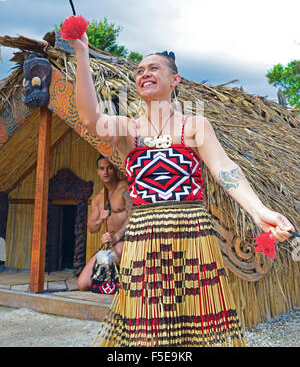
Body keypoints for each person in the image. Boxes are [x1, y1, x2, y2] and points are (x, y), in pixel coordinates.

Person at [70, 33, 295, 347]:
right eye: (139, 71)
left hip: (191, 233)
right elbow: (90, 118)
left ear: (174, 79)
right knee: (147, 326)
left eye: (153, 68)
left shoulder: (194, 126)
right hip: (144, 236)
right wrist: (81, 53)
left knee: (191, 326)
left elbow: (225, 170)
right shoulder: (127, 129)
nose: (144, 73)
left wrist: (259, 212)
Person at [77, 155, 130, 291]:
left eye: (109, 168)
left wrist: (117, 237)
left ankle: (127, 285)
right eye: (102, 169)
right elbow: (91, 228)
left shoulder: (126, 189)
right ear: (97, 171)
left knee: (119, 249)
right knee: (83, 284)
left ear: (115, 169)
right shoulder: (98, 198)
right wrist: (101, 218)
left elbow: (134, 217)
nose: (105, 172)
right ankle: (113, 281)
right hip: (109, 246)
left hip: (128, 241)